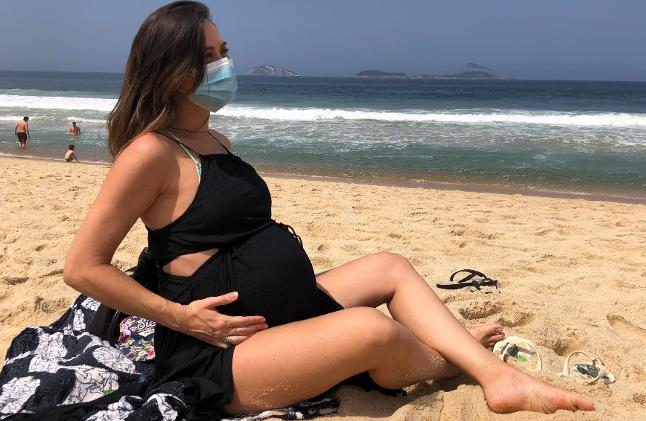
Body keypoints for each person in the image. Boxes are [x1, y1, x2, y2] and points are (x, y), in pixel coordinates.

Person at [62, 1, 594, 418]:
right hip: (221, 353)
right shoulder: (150, 152)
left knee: (388, 265)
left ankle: (488, 372)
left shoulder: (211, 137)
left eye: (225, 50)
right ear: (174, 70)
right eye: (209, 56)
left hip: (289, 313)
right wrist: (182, 319)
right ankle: (444, 358)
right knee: (370, 330)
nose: (225, 64)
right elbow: (82, 266)